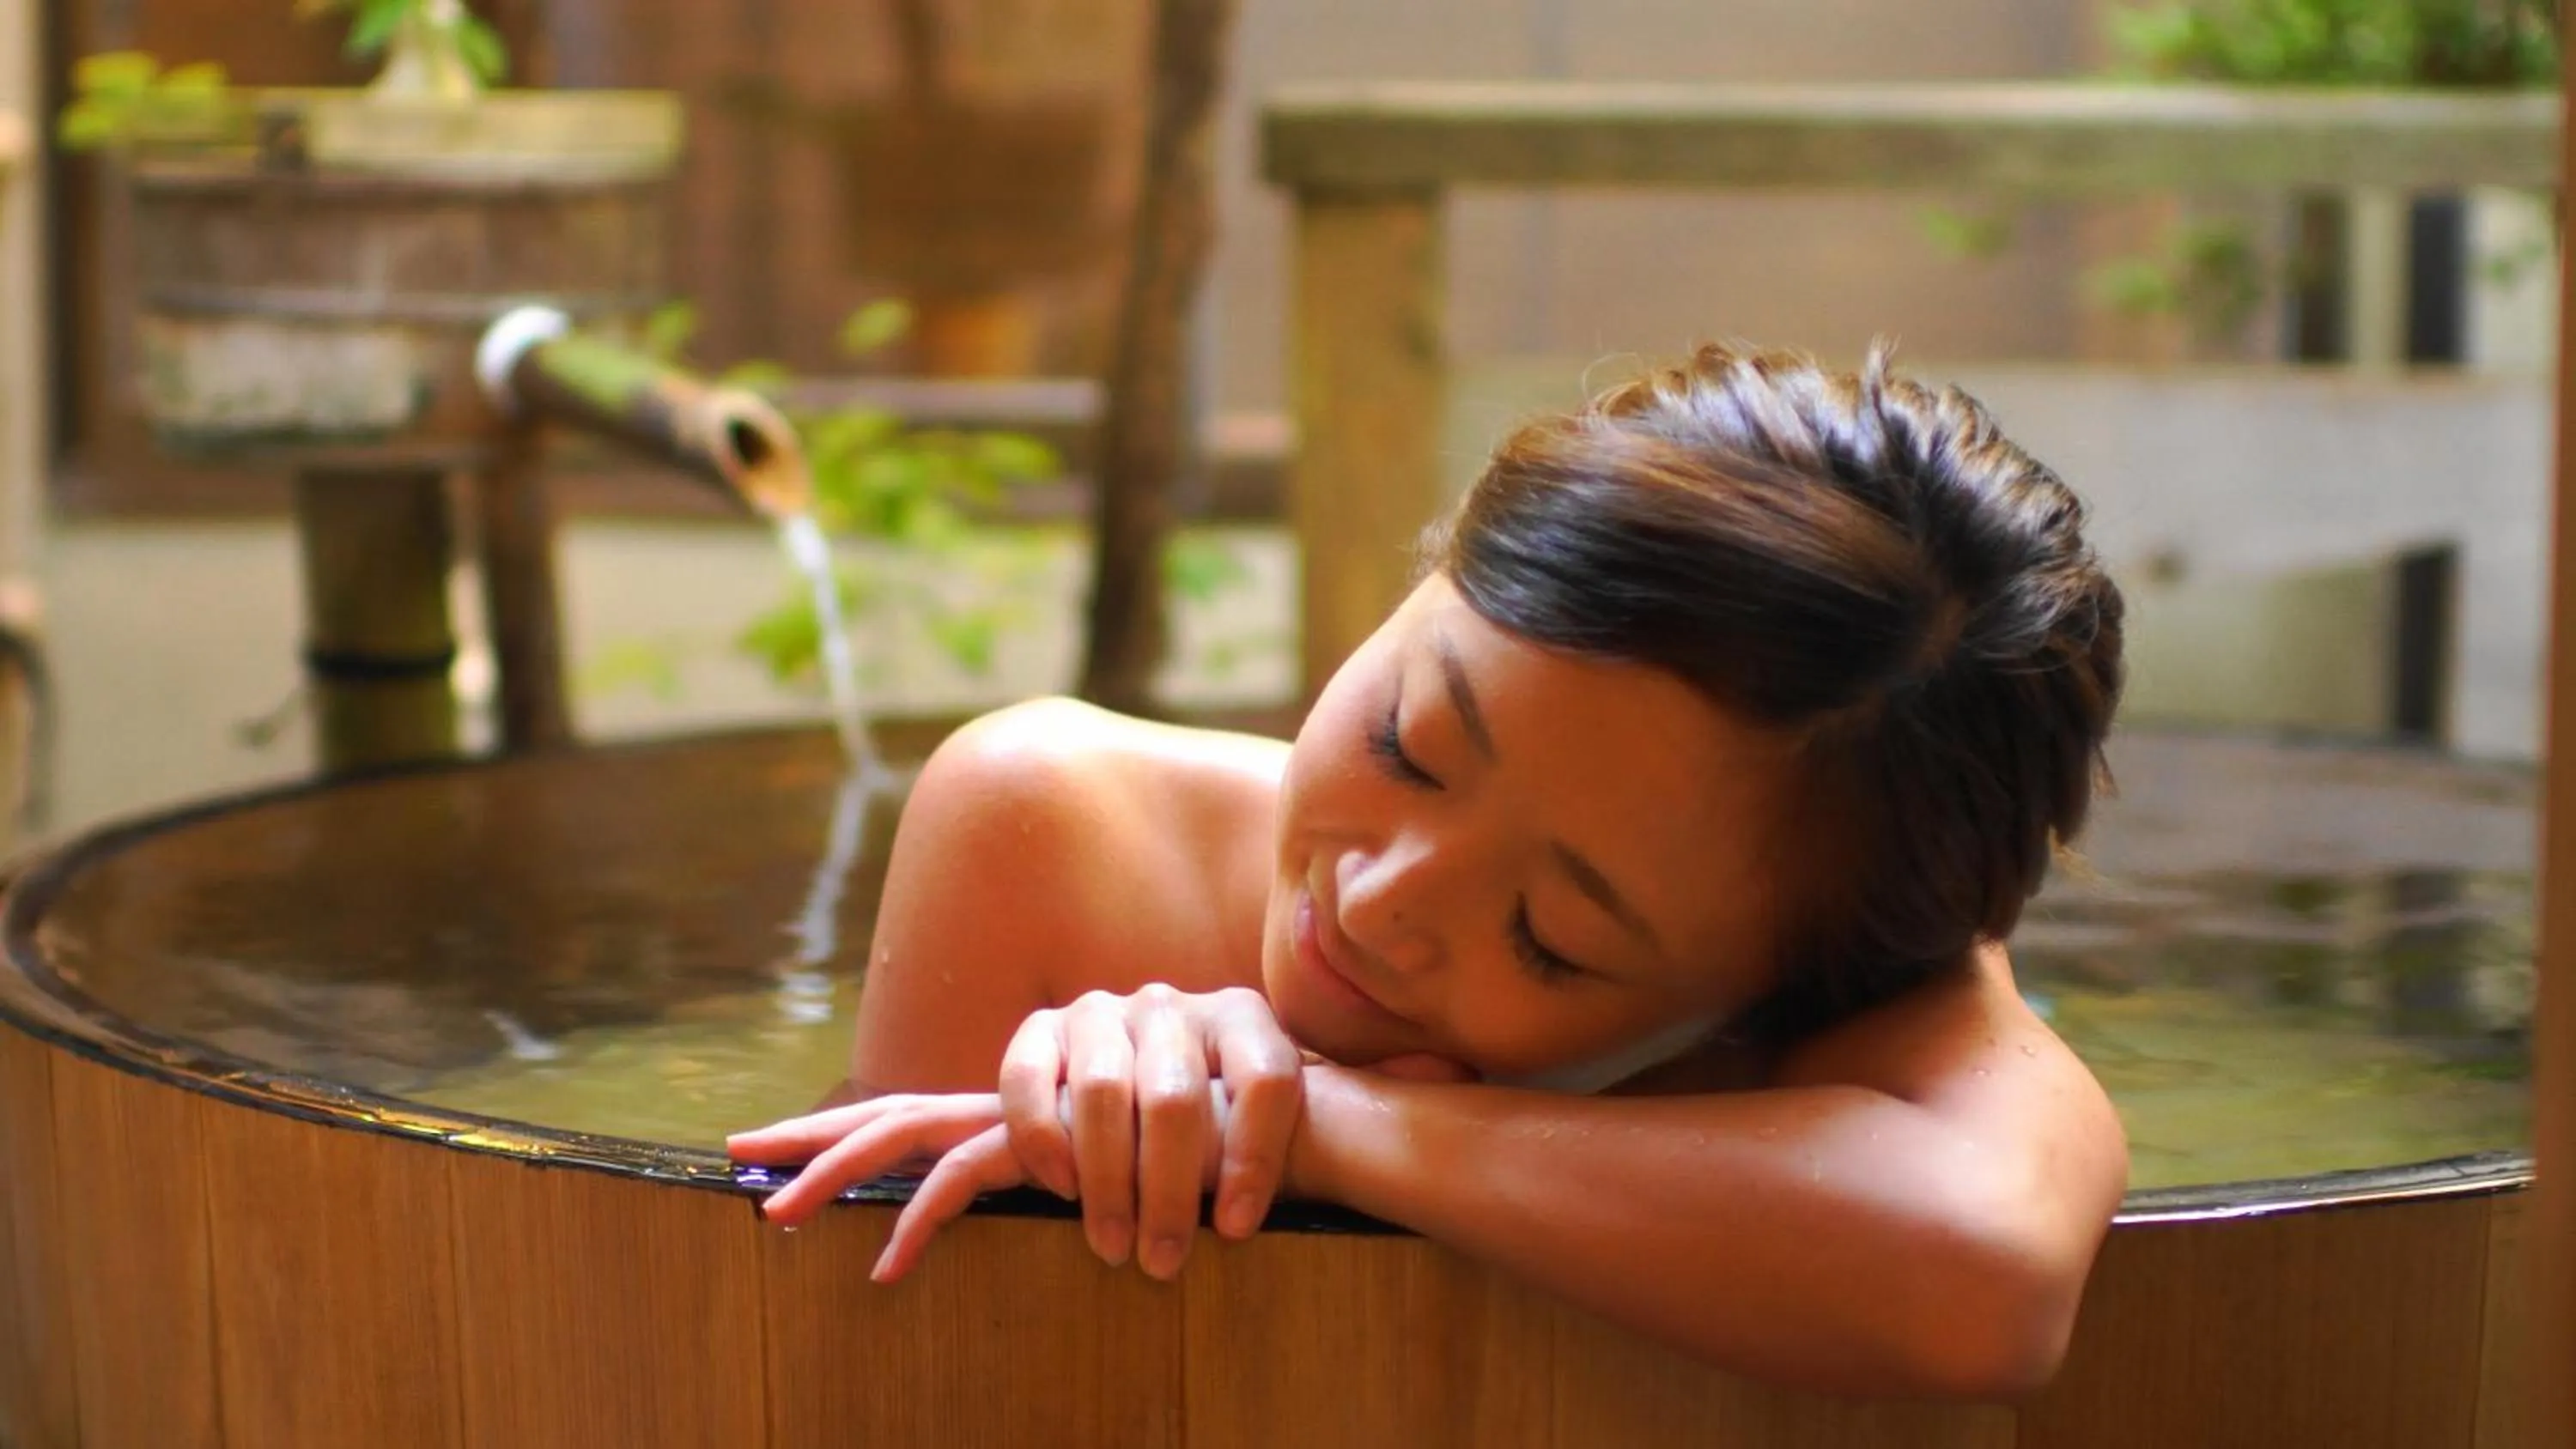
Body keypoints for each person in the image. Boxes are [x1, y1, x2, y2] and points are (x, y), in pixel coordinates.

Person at [726, 340, 2130, 1399]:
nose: (1384, 901)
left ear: (1762, 996)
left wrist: (1313, 1120)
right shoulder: (1060, 833)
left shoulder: (1857, 969)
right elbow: (878, 1374)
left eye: (1550, 937)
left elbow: (1989, 1279)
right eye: (1409, 742)